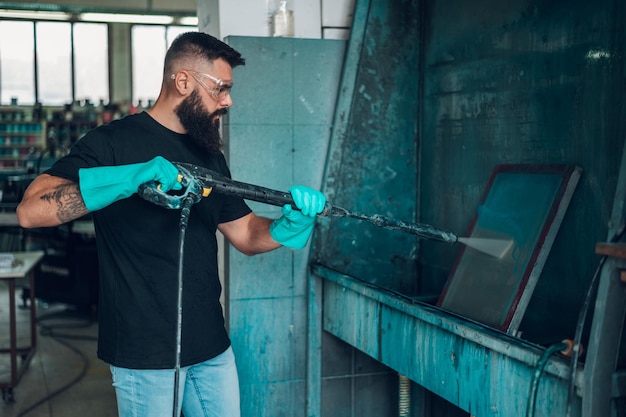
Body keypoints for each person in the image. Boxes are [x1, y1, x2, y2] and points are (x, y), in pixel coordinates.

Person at [16, 31, 325, 417]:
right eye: (221, 88)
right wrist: (129, 178)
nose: (228, 100)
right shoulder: (112, 143)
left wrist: (287, 224)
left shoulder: (207, 154)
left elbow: (245, 233)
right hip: (143, 352)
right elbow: (31, 211)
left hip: (211, 344)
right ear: (183, 81)